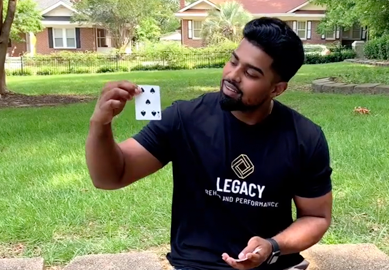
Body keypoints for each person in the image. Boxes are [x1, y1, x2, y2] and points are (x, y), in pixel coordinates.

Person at [85, 17, 333, 270]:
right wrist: (100, 125)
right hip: (195, 265)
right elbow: (110, 177)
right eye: (233, 61)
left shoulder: (305, 137)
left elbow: (315, 216)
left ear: (277, 89)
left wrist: (272, 245)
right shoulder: (184, 118)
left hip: (272, 264)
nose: (232, 75)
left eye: (250, 73)